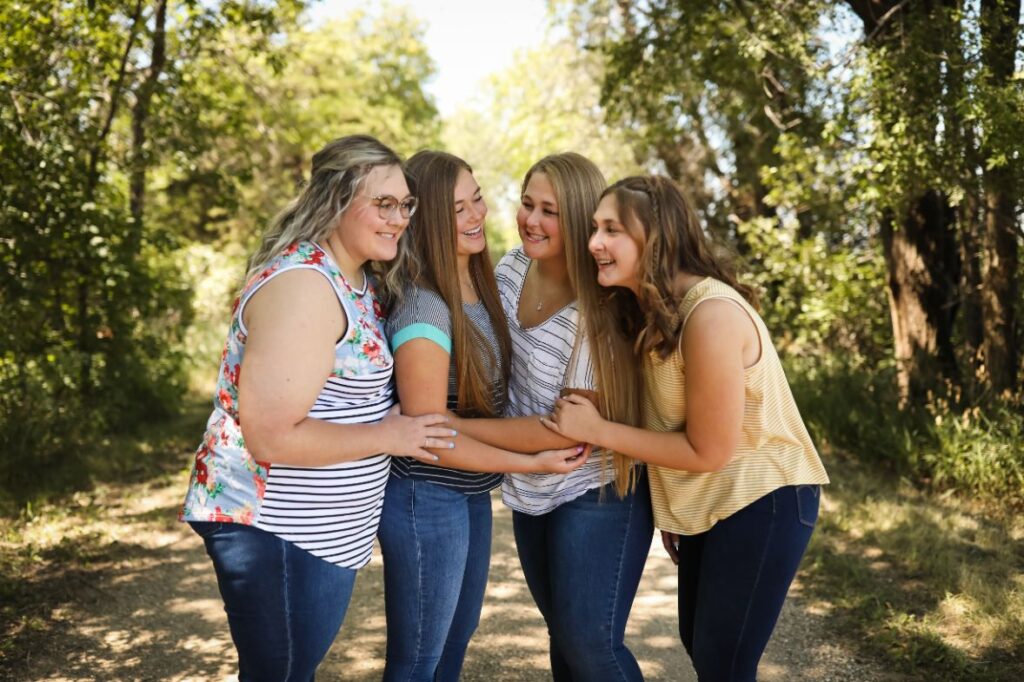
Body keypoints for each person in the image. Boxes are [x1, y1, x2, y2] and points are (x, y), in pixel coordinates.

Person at [179, 135, 455, 681]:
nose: (399, 218)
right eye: (384, 204)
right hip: (276, 530)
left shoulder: (354, 276)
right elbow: (271, 438)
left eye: (405, 204)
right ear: (334, 199)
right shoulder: (304, 285)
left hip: (316, 533)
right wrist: (389, 436)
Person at [544, 175, 831, 682]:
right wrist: (677, 505)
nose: (594, 243)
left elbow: (709, 449)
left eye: (612, 229)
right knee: (701, 648)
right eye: (594, 228)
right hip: (714, 503)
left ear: (655, 238)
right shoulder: (656, 310)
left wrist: (597, 428)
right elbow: (673, 420)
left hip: (764, 500)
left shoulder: (711, 313)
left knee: (724, 663)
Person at [378, 150, 588, 682]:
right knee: (418, 661)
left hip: (467, 494)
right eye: (457, 209)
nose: (477, 216)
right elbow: (430, 435)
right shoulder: (425, 306)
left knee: (451, 646)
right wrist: (532, 464)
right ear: (423, 219)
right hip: (426, 495)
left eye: (477, 200)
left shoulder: (481, 280)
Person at [453, 153, 653, 680]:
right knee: (563, 640)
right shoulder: (513, 268)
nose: (531, 221)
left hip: (595, 488)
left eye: (551, 212)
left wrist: (447, 428)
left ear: (581, 218)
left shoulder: (599, 309)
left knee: (590, 645)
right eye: (527, 204)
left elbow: (565, 428)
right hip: (531, 483)